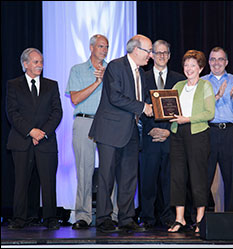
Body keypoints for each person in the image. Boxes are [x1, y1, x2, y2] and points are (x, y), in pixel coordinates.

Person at [88, 34, 154, 233]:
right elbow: (116, 97)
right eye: (148, 51)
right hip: (110, 131)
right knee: (106, 177)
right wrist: (143, 107)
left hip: (131, 131)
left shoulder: (141, 73)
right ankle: (103, 218)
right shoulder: (116, 66)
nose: (150, 56)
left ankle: (126, 218)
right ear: (136, 50)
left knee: (128, 177)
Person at [6, 48, 63, 230]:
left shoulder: (51, 85)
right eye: (36, 62)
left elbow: (57, 112)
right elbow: (12, 113)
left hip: (45, 141)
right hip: (22, 141)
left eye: (41, 62)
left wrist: (42, 132)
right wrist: (31, 131)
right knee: (21, 182)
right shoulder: (13, 85)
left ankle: (50, 219)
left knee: (48, 182)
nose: (40, 65)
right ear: (25, 64)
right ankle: (20, 219)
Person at [66, 34, 118, 229]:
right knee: (83, 169)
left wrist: (107, 79)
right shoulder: (78, 70)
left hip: (108, 123)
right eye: (100, 46)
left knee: (110, 169)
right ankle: (83, 216)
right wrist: (97, 83)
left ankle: (112, 215)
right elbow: (76, 98)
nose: (104, 50)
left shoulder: (113, 70)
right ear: (91, 48)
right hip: (84, 121)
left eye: (106, 46)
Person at [168, 50, 215, 233]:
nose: (189, 69)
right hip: (177, 133)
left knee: (198, 176)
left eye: (193, 65)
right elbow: (169, 107)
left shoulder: (206, 86)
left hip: (197, 133)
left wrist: (187, 119)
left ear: (201, 68)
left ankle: (200, 219)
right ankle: (180, 219)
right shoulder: (178, 85)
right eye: (186, 65)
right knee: (177, 176)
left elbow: (209, 113)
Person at [139, 40, 185, 229]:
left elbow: (183, 108)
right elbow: (138, 104)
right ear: (151, 55)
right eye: (158, 53)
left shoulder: (179, 79)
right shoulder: (142, 77)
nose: (162, 56)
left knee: (169, 180)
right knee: (147, 179)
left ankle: (168, 216)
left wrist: (167, 130)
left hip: (171, 136)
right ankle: (147, 217)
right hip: (149, 136)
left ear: (170, 55)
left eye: (165, 53)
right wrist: (151, 128)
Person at [201, 47, 233, 212]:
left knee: (231, 178)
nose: (216, 63)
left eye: (220, 59)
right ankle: (204, 217)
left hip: (229, 132)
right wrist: (217, 97)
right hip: (208, 132)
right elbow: (198, 108)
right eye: (213, 59)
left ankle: (231, 217)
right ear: (208, 62)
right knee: (204, 177)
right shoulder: (202, 81)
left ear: (226, 62)